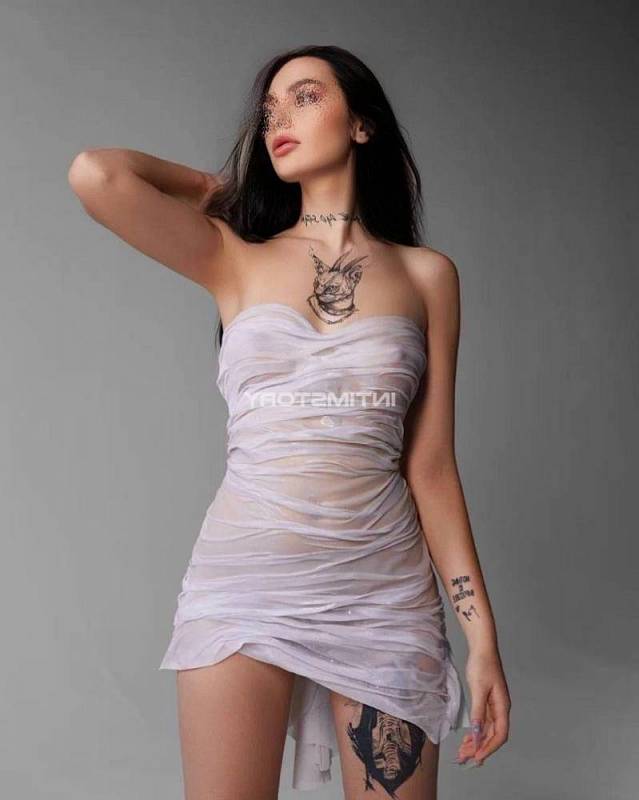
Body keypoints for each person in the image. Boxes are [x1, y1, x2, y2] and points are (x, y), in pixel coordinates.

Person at [68, 44, 511, 800]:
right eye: (269, 109)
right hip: (243, 587)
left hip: (383, 598)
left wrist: (482, 641)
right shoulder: (232, 257)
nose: (279, 118)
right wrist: (218, 188)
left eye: (304, 97)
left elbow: (430, 465)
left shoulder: (426, 277)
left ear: (362, 124)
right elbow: (97, 175)